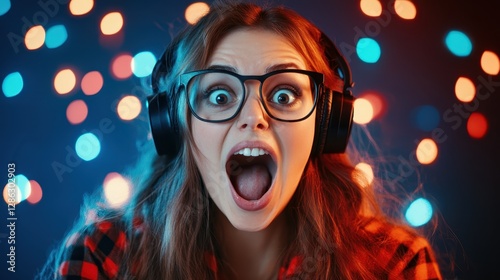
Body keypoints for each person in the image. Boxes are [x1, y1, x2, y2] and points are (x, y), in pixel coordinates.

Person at [39, 0, 444, 279]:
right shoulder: (105, 256)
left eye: (285, 95)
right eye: (219, 95)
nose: (254, 118)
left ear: (326, 124)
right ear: (177, 125)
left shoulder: (395, 264)